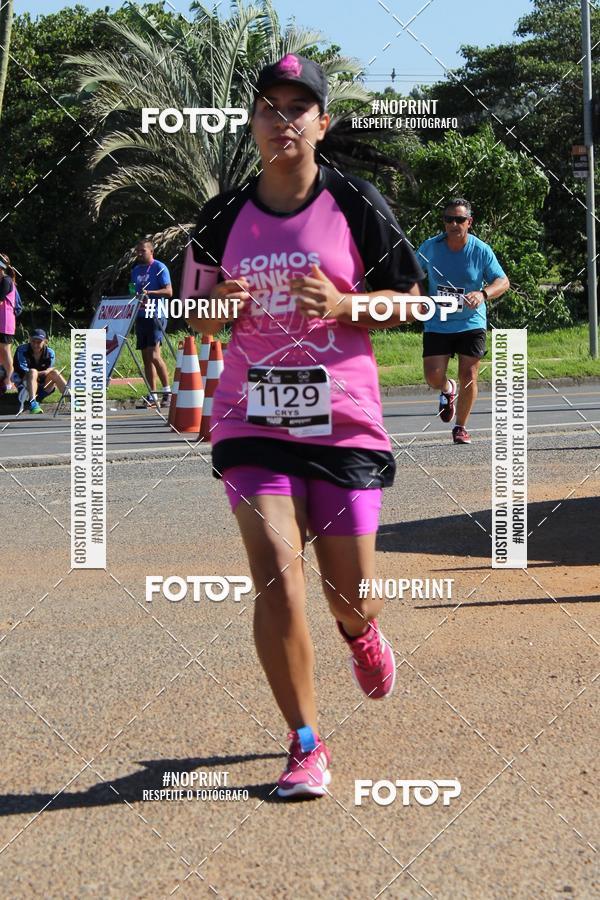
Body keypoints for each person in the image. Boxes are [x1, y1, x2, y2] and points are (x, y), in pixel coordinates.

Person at [182, 54, 425, 798]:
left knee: (347, 594)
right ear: (253, 123)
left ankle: (361, 633)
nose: (282, 120)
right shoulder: (222, 216)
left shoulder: (354, 202)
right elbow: (188, 311)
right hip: (250, 419)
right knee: (278, 582)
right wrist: (215, 304)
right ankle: (305, 742)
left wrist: (349, 306)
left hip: (343, 421)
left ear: (322, 122)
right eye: (268, 108)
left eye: (298, 108)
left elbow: (415, 303)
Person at [417, 199, 510, 444]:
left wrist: (483, 294)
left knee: (469, 374)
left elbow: (503, 281)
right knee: (432, 377)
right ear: (444, 222)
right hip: (438, 321)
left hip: (471, 322)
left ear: (469, 222)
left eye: (459, 219)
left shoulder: (481, 250)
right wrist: (415, 297)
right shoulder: (430, 248)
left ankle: (460, 427)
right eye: (449, 219)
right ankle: (447, 389)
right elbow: (411, 275)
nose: (454, 224)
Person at [130, 238, 173, 408]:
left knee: (155, 355)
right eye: (138, 251)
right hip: (140, 315)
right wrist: (134, 296)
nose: (140, 254)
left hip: (156, 314)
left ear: (151, 251)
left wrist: (151, 292)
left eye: (143, 251)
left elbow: (169, 291)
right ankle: (152, 394)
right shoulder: (135, 270)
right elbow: (133, 290)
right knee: (146, 358)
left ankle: (167, 392)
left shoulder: (159, 267)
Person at [12, 328, 66, 414]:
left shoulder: (50, 352)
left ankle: (73, 399)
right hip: (26, 386)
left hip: (43, 387)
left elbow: (49, 372)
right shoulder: (21, 350)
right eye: (33, 341)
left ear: (45, 342)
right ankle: (33, 402)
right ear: (29, 339)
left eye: (39, 342)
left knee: (55, 373)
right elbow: (23, 370)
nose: (35, 345)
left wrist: (48, 371)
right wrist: (44, 372)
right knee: (33, 371)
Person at [0, 253, 19, 393]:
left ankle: (11, 381)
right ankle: (4, 380)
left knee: (6, 350)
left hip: (5, 321)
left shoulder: (6, 280)